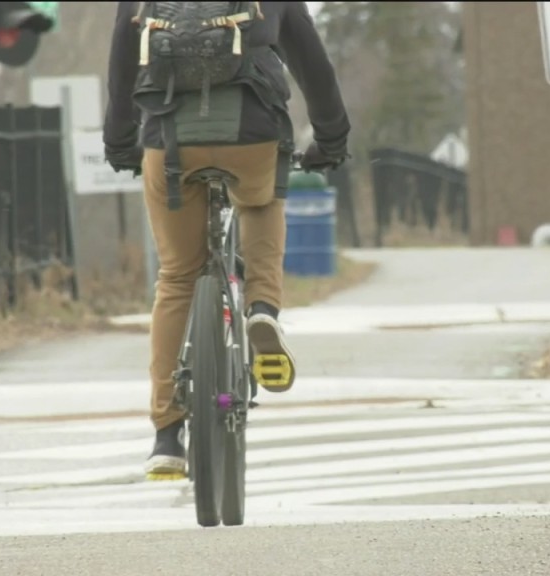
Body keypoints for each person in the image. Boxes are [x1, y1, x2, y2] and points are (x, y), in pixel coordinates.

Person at [103, 1, 351, 478]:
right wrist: (331, 139)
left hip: (170, 139)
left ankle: (167, 435)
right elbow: (313, 65)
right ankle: (263, 309)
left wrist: (119, 142)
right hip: (253, 135)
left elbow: (121, 62)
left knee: (177, 275)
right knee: (261, 202)